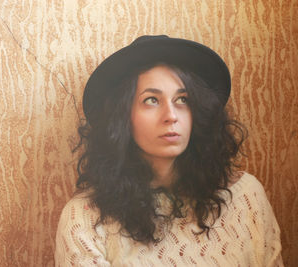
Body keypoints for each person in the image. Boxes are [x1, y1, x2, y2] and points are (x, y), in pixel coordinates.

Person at [55, 35, 283, 266]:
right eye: (152, 100)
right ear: (122, 117)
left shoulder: (245, 197)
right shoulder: (85, 218)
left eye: (182, 99)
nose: (171, 116)